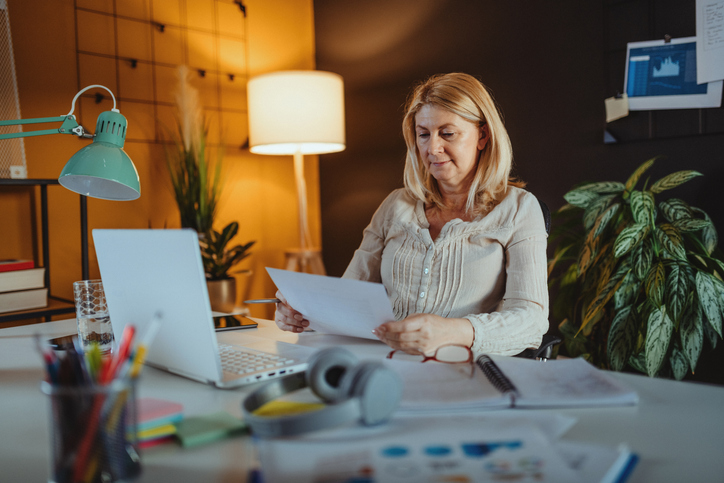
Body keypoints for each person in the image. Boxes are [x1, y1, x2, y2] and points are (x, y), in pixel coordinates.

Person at [274, 72, 548, 356]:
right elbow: (347, 299)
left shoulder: (519, 209)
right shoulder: (395, 205)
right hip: (384, 363)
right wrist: (302, 315)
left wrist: (451, 331)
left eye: (448, 133)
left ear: (483, 135)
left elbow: (531, 321)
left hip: (465, 371)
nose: (432, 148)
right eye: (423, 134)